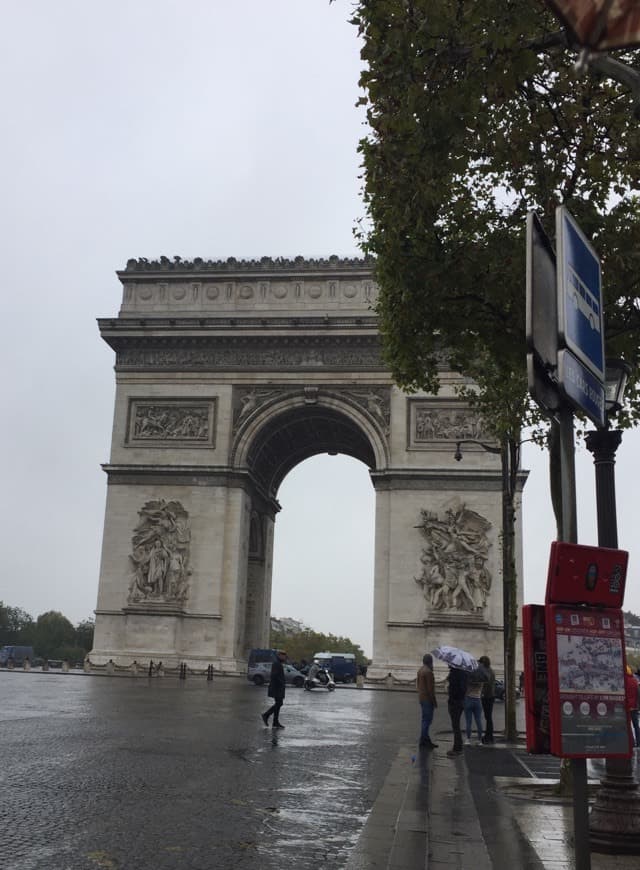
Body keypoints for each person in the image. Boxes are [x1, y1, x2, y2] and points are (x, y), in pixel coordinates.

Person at [416, 653, 438, 749]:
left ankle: (425, 740)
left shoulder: (420, 670)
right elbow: (430, 689)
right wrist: (434, 701)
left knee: (425, 720)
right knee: (427, 721)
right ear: (430, 661)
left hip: (421, 697)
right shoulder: (428, 672)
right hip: (427, 699)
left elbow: (418, 684)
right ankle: (424, 741)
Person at [262, 650, 287, 729]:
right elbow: (274, 675)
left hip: (278, 687)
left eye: (285, 656)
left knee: (279, 703)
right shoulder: (276, 663)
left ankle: (275, 722)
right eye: (283, 656)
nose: (284, 657)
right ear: (279, 655)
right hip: (277, 688)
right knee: (279, 703)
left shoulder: (278, 663)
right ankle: (266, 715)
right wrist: (281, 683)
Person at [446, 665, 468, 757]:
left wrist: (450, 683)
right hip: (461, 701)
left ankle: (457, 748)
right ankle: (458, 746)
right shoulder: (464, 673)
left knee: (455, 726)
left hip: (455, 702)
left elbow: (454, 689)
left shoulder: (455, 674)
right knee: (456, 725)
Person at [464, 665, 485, 745]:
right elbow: (482, 690)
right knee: (478, 721)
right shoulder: (482, 679)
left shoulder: (469, 678)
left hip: (468, 699)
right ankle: (480, 740)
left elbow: (465, 688)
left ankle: (468, 739)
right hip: (478, 700)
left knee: (468, 721)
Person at [478, 655, 496, 744]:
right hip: (490, 696)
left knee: (488, 717)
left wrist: (482, 693)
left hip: (487, 697)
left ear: (483, 663)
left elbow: (487, 684)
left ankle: (489, 736)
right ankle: (489, 735)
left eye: (480, 663)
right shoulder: (490, 670)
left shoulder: (487, 672)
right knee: (488, 717)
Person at [624, 665, 640, 748]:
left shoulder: (623, 681)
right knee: (636, 725)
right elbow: (638, 693)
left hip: (626, 707)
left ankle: (631, 743)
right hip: (634, 706)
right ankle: (638, 742)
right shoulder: (635, 680)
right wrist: (637, 705)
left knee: (628, 726)